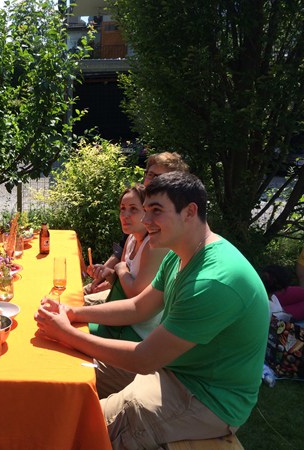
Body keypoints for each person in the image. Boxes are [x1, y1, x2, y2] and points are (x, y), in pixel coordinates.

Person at [35, 172, 269, 449]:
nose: (146, 221)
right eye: (145, 211)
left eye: (156, 211)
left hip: (205, 398)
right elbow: (138, 307)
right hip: (173, 370)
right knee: (64, 371)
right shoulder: (179, 254)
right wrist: (72, 313)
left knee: (80, 429)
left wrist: (66, 333)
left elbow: (144, 359)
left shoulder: (213, 281)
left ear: (190, 212)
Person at [85, 151, 189, 301]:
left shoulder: (163, 237)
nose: (151, 182)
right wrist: (105, 277)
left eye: (159, 178)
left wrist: (119, 270)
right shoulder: (133, 236)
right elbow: (122, 267)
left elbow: (138, 297)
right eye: (150, 175)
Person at [88, 184, 169, 341]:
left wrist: (120, 268)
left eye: (133, 209)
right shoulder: (131, 238)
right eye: (122, 208)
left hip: (138, 333)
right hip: (119, 321)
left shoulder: (152, 246)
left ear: (146, 212)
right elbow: (123, 283)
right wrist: (108, 274)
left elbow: (135, 294)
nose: (125, 215)